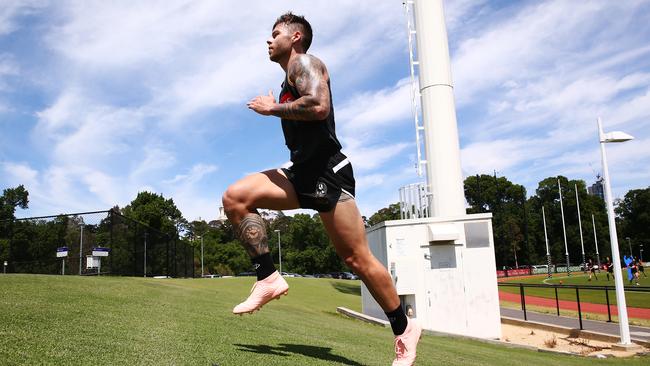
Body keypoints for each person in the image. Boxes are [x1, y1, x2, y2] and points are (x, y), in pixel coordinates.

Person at [221, 12, 421, 365]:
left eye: (275, 33)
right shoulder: (288, 78)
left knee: (356, 259)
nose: (268, 41)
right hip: (300, 173)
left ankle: (404, 328)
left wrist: (272, 109)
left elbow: (318, 105)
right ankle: (267, 277)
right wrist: (279, 106)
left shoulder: (306, 64)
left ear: (295, 36)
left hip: (329, 174)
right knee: (235, 198)